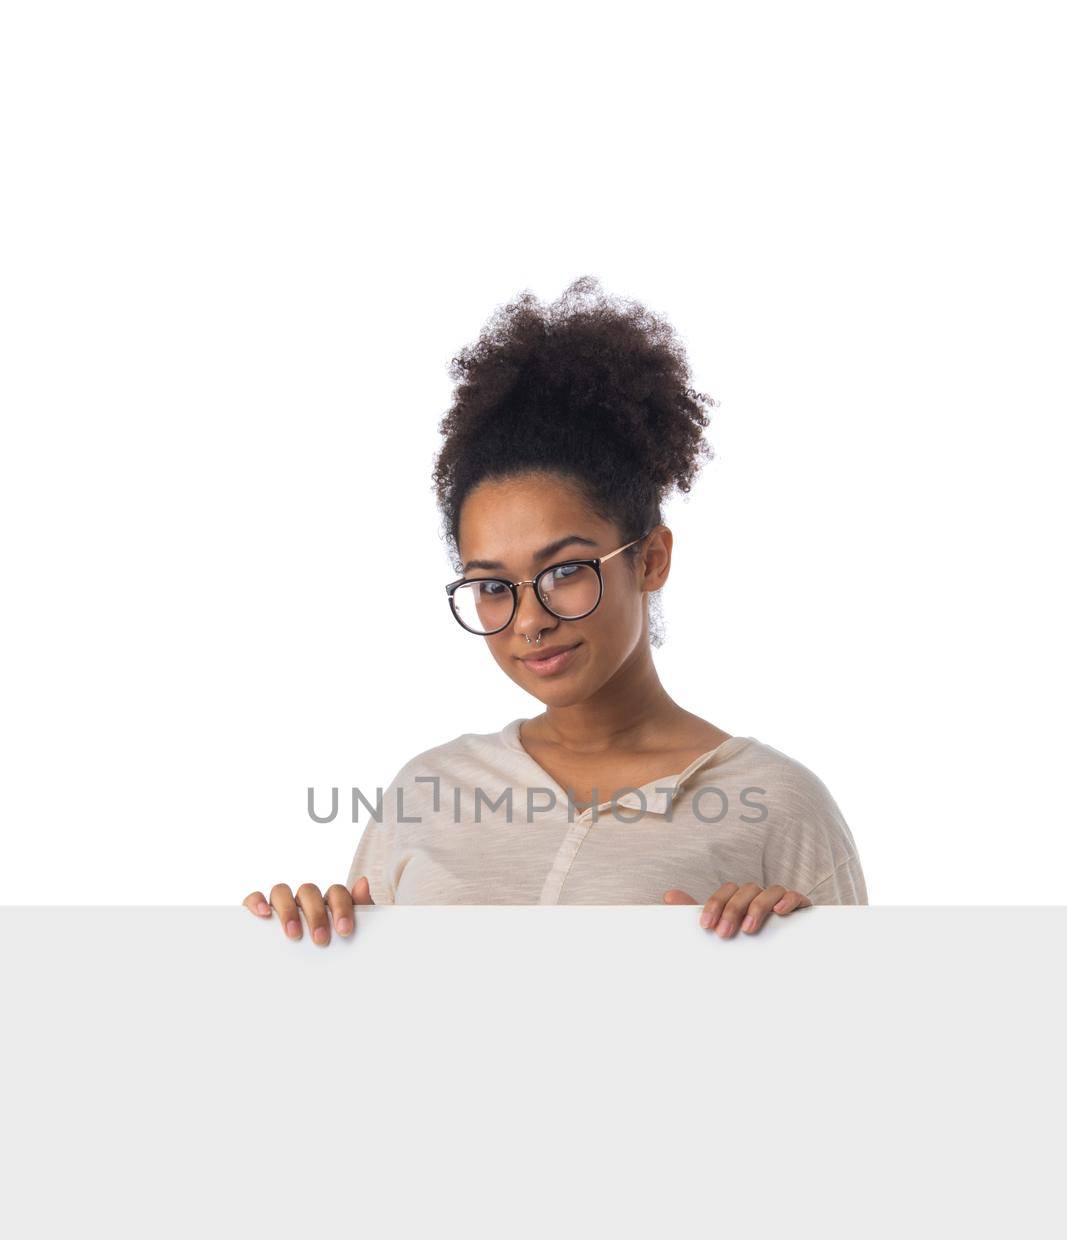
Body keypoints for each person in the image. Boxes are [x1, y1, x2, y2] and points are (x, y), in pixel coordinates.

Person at [244, 276, 866, 944]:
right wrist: (308, 947)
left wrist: (794, 958)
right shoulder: (424, 790)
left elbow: (862, 1031)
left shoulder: (776, 802)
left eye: (564, 571)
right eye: (491, 585)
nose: (527, 620)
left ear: (649, 559)